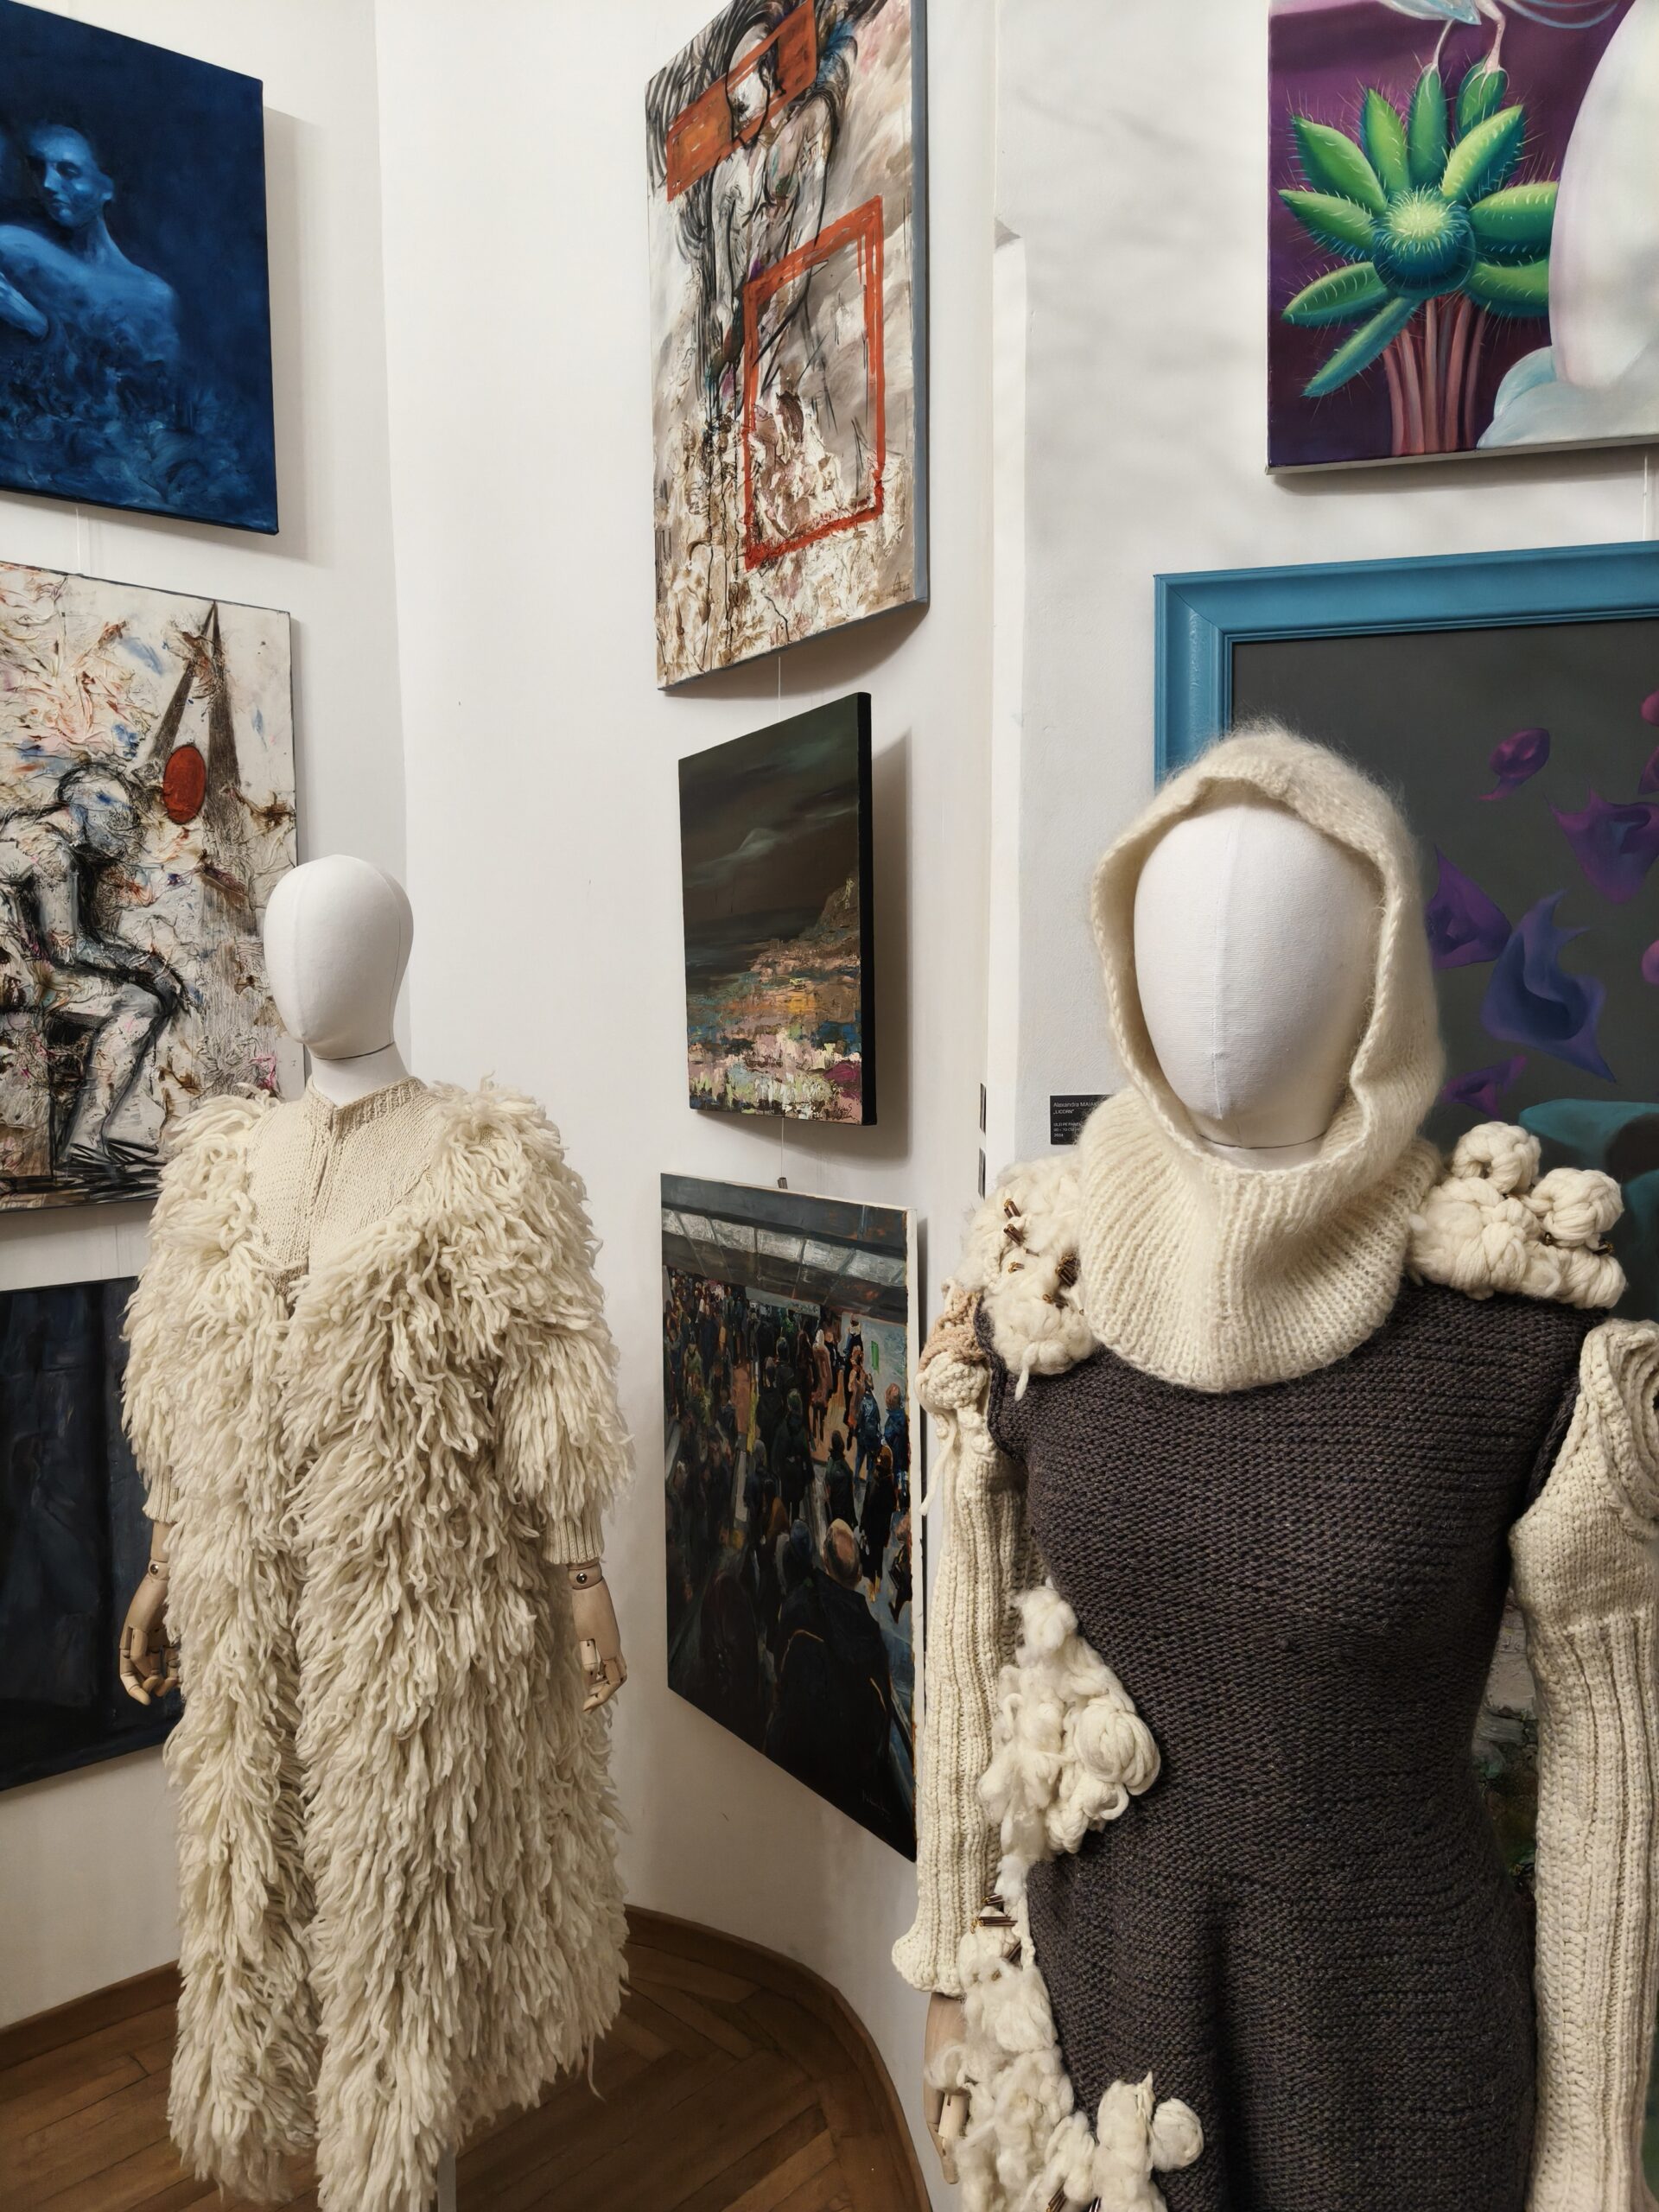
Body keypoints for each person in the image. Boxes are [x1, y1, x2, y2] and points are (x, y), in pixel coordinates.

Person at [0, 763, 183, 1182]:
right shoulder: (53, 852)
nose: (121, 837)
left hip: (15, 969)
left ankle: (83, 1141)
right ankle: (84, 1142)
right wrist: (147, 965)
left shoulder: (18, 826)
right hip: (16, 980)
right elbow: (68, 947)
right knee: (141, 1004)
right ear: (92, 811)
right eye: (117, 822)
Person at [0, 125, 180, 366]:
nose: (47, 184)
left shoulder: (154, 296)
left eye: (69, 171)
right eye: (38, 169)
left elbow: (146, 383)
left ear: (107, 187)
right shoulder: (13, 247)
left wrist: (36, 324)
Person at [766, 1520, 896, 1833]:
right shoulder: (872, 1639)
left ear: (824, 1559)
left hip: (792, 1758)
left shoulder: (798, 1606)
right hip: (844, 1784)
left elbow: (780, 1671)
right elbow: (880, 1724)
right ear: (857, 1575)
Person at [859, 1444, 899, 1597]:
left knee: (872, 1555)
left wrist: (863, 1524)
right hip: (882, 1528)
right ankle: (877, 1583)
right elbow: (892, 1507)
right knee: (879, 1555)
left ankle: (872, 1587)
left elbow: (867, 1504)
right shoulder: (889, 1484)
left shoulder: (873, 1480)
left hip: (872, 1526)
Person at [773, 1389, 814, 1528]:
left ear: (789, 1406)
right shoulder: (802, 1431)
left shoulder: (782, 1428)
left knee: (785, 1503)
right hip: (797, 1473)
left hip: (786, 1473)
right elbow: (806, 1455)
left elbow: (776, 1452)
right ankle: (795, 1528)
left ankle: (786, 1529)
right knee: (796, 1505)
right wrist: (809, 1475)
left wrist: (777, 1469)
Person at [824, 1429, 856, 1534]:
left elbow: (827, 1490)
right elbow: (850, 1494)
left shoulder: (831, 1464)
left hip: (835, 1507)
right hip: (844, 1508)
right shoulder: (845, 1468)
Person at [854, 1376, 882, 1484]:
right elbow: (878, 1420)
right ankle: (869, 1482)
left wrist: (856, 1428)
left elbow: (860, 1418)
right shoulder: (874, 1403)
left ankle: (856, 1477)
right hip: (871, 1437)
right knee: (871, 1459)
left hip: (862, 1435)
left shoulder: (863, 1401)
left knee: (859, 1456)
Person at [882, 1382, 911, 1487]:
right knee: (904, 1481)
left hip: (896, 1461)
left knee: (896, 1484)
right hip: (905, 1459)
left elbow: (887, 1437)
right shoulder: (904, 1416)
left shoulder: (890, 1423)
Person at [810, 1326, 834, 1446]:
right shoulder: (825, 1351)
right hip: (823, 1382)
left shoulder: (813, 1349)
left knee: (814, 1406)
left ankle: (814, 1429)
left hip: (815, 1381)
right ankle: (821, 1432)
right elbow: (828, 1370)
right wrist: (831, 1386)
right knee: (823, 1408)